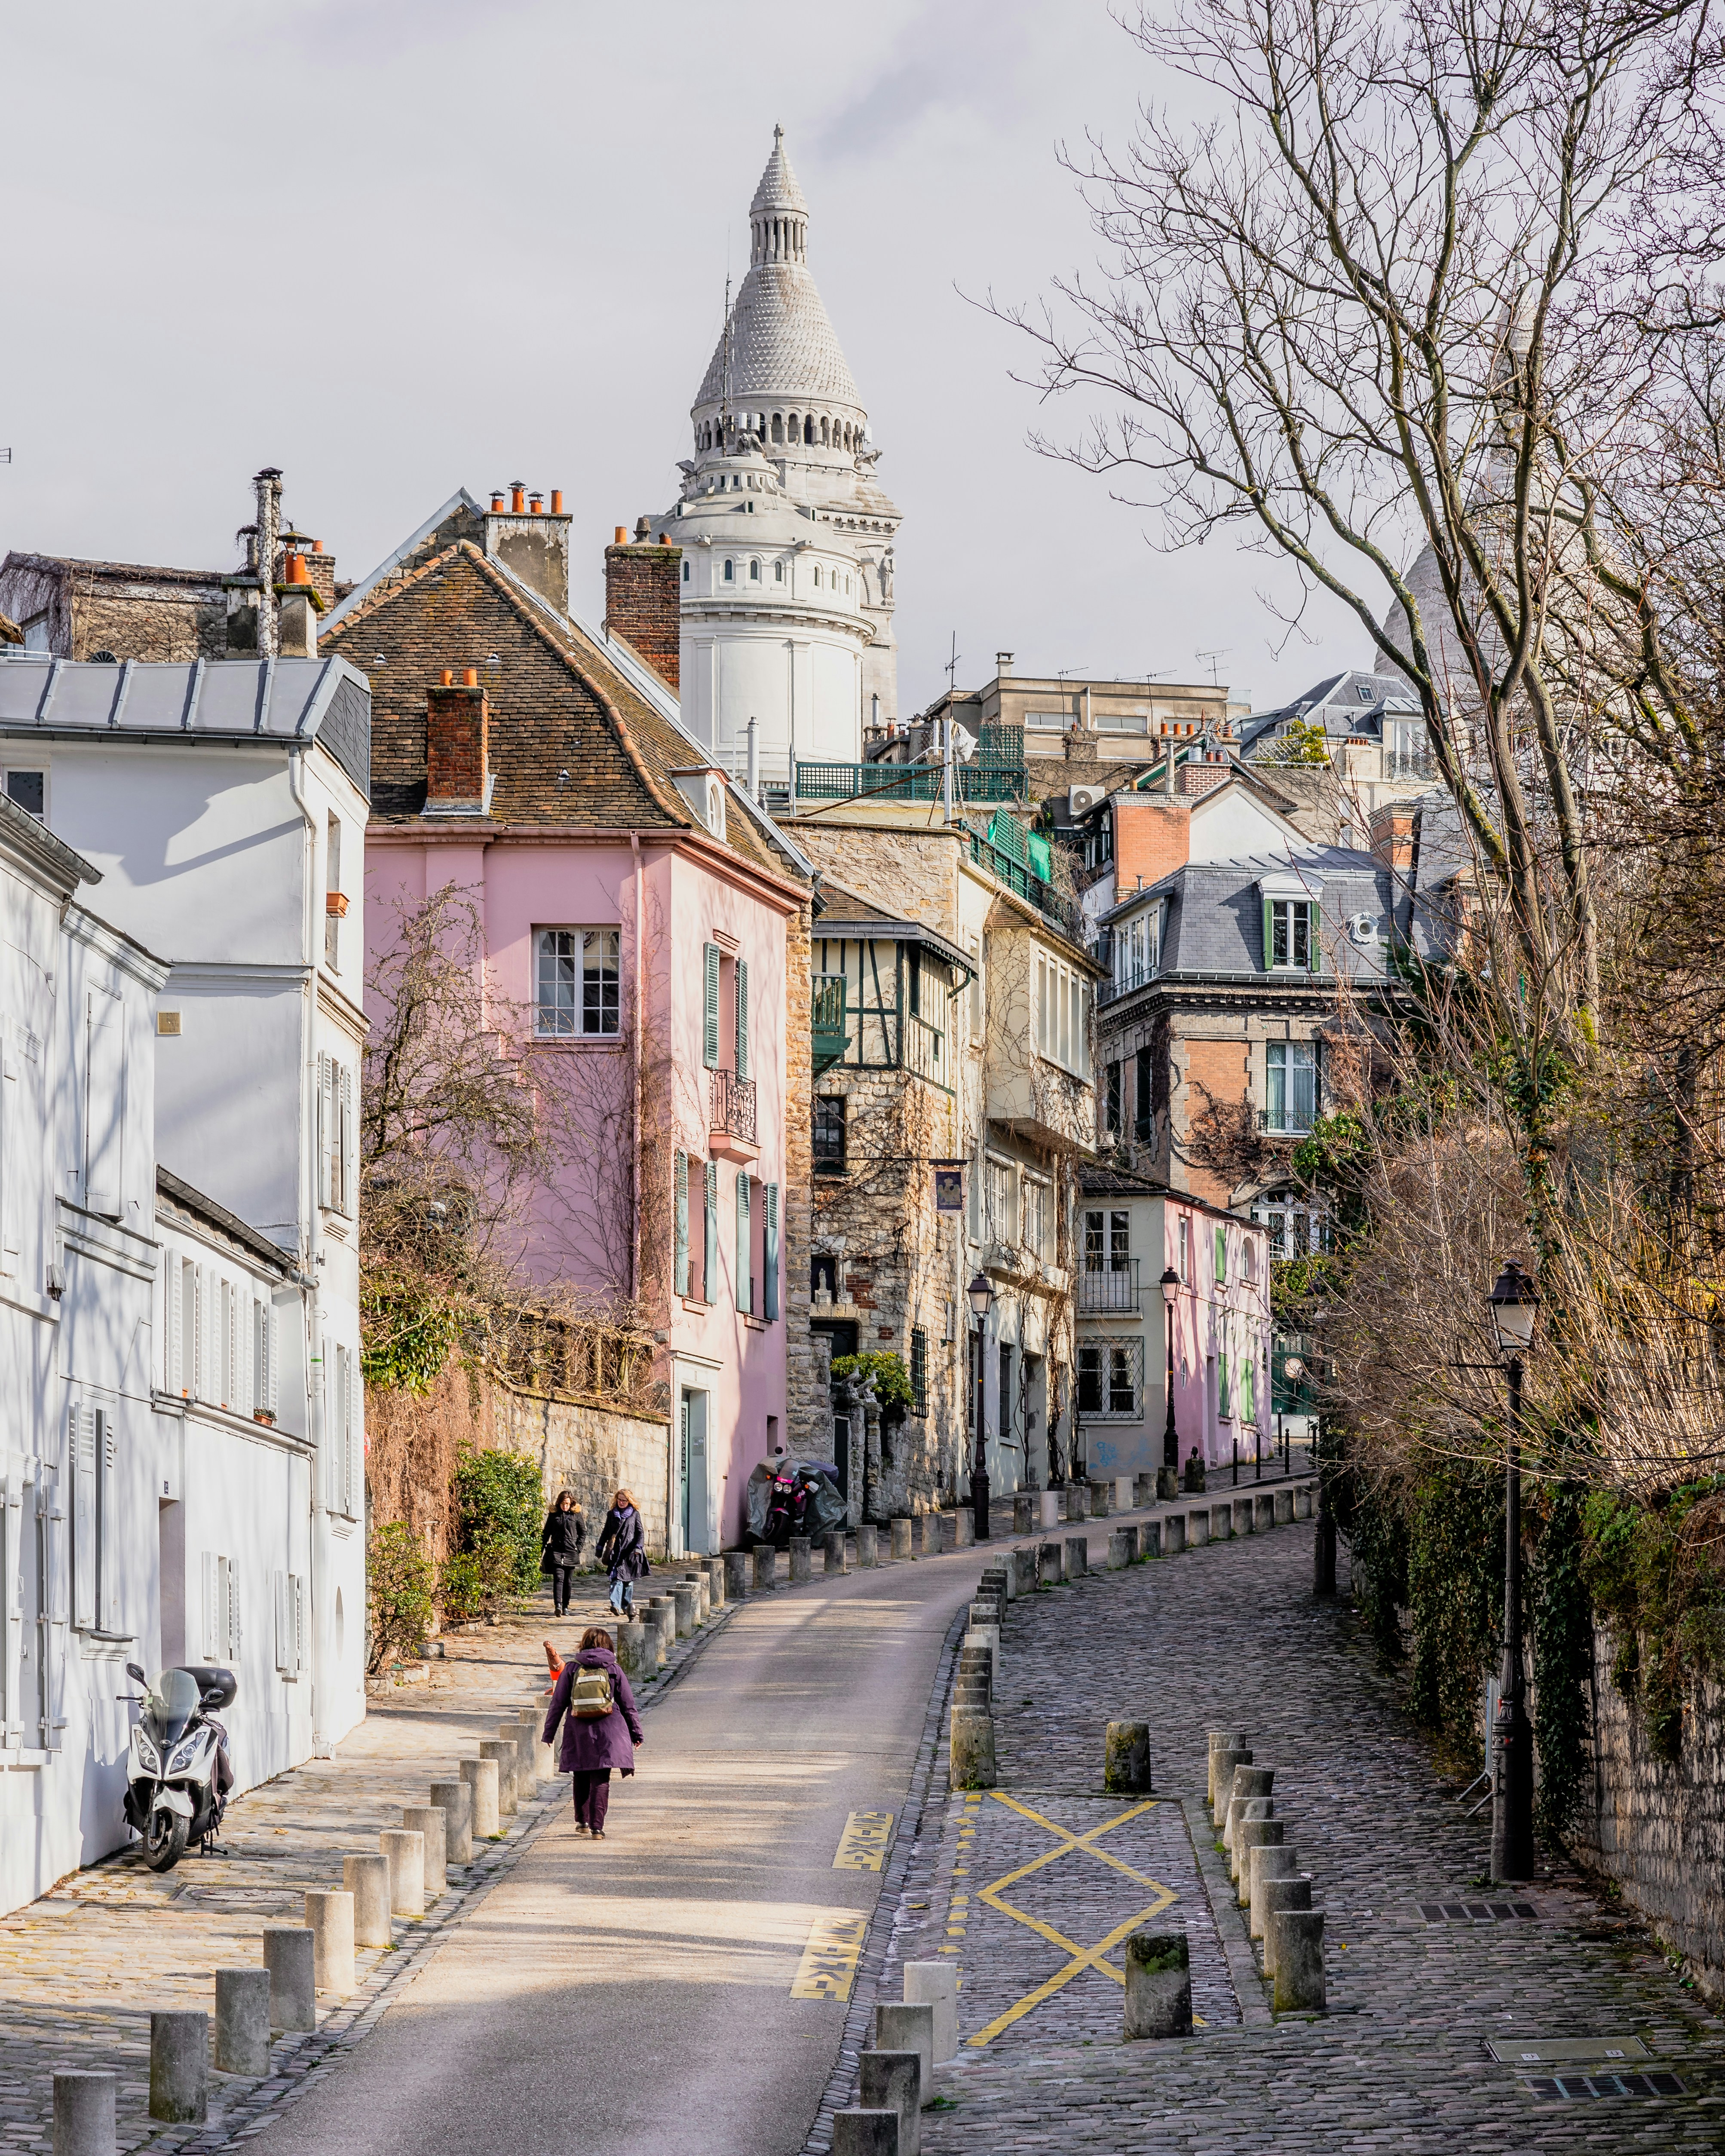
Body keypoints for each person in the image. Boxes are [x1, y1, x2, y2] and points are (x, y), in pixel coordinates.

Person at [540, 1624, 643, 1838]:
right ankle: (598, 1827)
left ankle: (582, 1821)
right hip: (609, 1731)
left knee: (580, 1774)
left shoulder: (571, 1668)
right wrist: (636, 1733)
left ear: (584, 1644)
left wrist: (548, 1734)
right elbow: (628, 1705)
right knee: (601, 1778)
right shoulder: (614, 1668)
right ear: (608, 1645)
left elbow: (558, 1704)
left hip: (578, 1730)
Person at [595, 1488, 649, 1617]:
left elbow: (640, 1533)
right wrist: (600, 1547)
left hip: (630, 1553)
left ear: (629, 1501)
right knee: (616, 1579)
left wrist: (638, 1547)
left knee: (628, 1581)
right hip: (616, 1553)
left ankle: (626, 1605)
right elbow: (606, 1533)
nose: (621, 1502)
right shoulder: (611, 1514)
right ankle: (615, 1605)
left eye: (624, 1500)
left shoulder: (634, 1514)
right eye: (620, 1500)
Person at [541, 1490, 586, 1617]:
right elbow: (546, 1533)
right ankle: (558, 1606)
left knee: (568, 1581)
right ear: (559, 1503)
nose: (565, 1506)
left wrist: (578, 1548)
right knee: (559, 1578)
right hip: (556, 1551)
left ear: (571, 1503)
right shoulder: (554, 1515)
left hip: (571, 1552)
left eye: (567, 1503)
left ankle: (566, 1606)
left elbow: (583, 1533)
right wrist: (540, 1549)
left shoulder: (576, 1515)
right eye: (562, 1503)